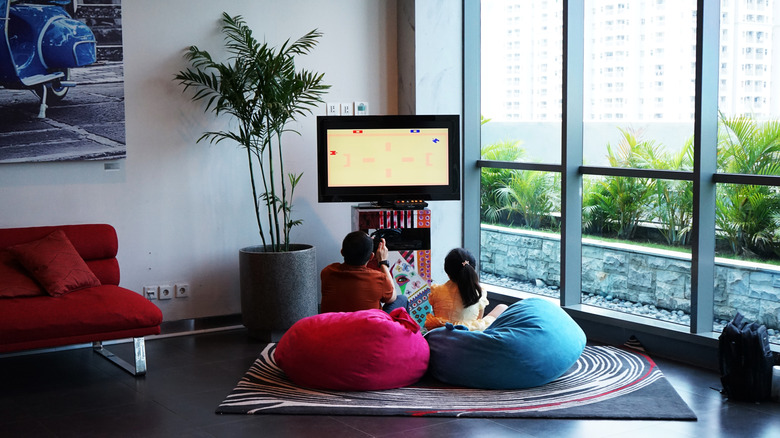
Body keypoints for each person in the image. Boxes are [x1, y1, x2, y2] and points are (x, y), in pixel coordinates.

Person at [320, 230, 408, 313]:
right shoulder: (379, 279)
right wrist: (383, 262)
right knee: (402, 299)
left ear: (342, 252)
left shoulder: (327, 272)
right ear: (371, 257)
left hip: (335, 326)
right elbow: (392, 298)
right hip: (369, 327)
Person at [424, 248, 507, 331]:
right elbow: (479, 319)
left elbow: (436, 312)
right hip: (468, 333)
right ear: (472, 270)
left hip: (442, 331)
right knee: (502, 307)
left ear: (447, 272)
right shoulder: (479, 292)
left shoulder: (436, 291)